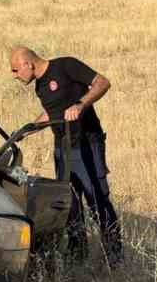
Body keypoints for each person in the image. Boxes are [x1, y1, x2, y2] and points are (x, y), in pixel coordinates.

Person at [9, 45, 122, 265]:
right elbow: (52, 113)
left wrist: (80, 104)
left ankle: (115, 258)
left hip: (87, 145)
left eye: (15, 70)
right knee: (69, 205)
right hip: (63, 150)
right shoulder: (40, 86)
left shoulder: (66, 66)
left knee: (97, 202)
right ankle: (77, 257)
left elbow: (103, 83)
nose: (13, 76)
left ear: (27, 64)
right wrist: (28, 128)